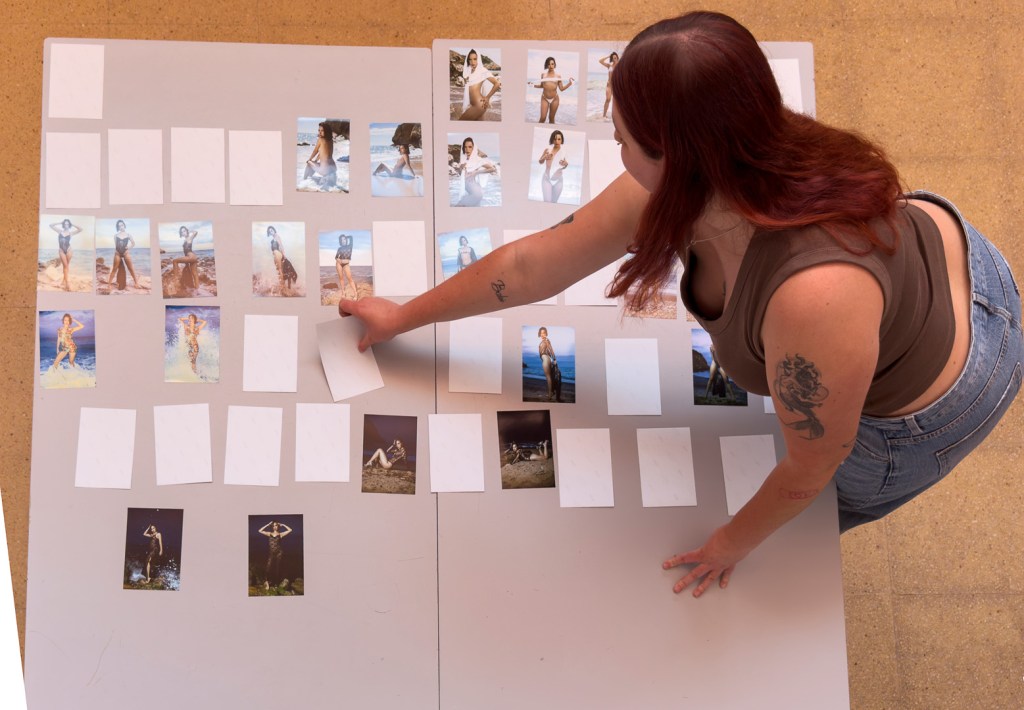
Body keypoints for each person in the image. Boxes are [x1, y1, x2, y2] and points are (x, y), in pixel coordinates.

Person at [340, 11, 1022, 599]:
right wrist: (403, 315)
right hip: (920, 276)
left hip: (939, 395)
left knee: (807, 533)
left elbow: (814, 463)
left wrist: (729, 544)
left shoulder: (813, 297)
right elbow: (531, 266)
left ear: (678, 157)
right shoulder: (725, 154)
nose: (614, 147)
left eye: (623, 138)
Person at [450, 137, 496, 206]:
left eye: (470, 147)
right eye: (465, 147)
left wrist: (476, 172)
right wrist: (460, 168)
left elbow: (492, 169)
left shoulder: (478, 160)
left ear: (473, 148)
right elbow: (461, 175)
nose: (467, 149)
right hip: (469, 190)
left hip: (476, 191)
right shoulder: (464, 160)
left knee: (460, 206)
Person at [459, 49, 500, 121]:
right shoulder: (469, 71)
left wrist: (487, 97)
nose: (472, 62)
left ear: (478, 59)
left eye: (475, 59)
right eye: (470, 59)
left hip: (479, 105)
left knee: (461, 121)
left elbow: (497, 84)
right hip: (474, 105)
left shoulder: (482, 71)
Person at [532, 56, 574, 124]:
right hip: (544, 98)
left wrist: (570, 83)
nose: (551, 66)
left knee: (551, 118)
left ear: (554, 65)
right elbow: (542, 86)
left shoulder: (558, 76)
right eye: (549, 64)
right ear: (546, 65)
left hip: (555, 99)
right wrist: (533, 85)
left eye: (552, 64)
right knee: (542, 118)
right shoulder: (543, 75)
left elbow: (561, 89)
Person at [49, 218, 81, 291]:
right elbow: (51, 225)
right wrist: (60, 222)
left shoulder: (71, 233)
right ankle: (67, 284)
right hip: (61, 251)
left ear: (69, 225)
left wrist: (72, 224)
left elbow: (80, 229)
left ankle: (64, 281)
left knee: (66, 266)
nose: (66, 225)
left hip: (69, 250)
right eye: (65, 224)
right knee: (65, 266)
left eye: (68, 224)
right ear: (63, 224)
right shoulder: (59, 231)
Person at [258, 521, 292, 590]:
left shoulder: (281, 534)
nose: (275, 527)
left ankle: (276, 583)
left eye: (276, 525)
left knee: (277, 568)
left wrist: (283, 524)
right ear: (272, 527)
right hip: (271, 553)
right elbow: (260, 530)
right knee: (268, 566)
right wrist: (268, 524)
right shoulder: (269, 534)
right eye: (273, 526)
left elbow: (290, 530)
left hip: (279, 553)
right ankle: (266, 581)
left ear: (278, 526)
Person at [303, 121, 337, 189]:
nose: (320, 132)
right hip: (333, 169)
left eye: (322, 130)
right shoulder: (331, 140)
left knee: (309, 163)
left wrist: (309, 160)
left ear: (326, 131)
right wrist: (315, 160)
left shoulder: (320, 139)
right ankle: (310, 177)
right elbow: (322, 153)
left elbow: (315, 151)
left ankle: (304, 180)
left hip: (325, 170)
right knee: (314, 163)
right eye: (319, 130)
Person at [537, 130, 568, 203]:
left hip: (558, 181)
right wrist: (544, 157)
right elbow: (540, 162)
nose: (557, 141)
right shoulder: (548, 150)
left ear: (562, 140)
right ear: (552, 140)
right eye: (555, 139)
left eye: (559, 139)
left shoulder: (564, 152)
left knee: (554, 202)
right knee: (547, 201)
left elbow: (564, 166)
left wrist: (565, 165)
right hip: (546, 179)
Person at [108, 219, 140, 289]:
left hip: (125, 253)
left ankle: (136, 283)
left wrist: (128, 247)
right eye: (119, 226)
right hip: (118, 254)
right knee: (114, 269)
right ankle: (109, 285)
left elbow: (133, 243)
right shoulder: (116, 235)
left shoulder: (128, 235)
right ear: (118, 227)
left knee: (131, 268)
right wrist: (117, 252)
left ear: (124, 225)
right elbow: (116, 245)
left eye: (122, 225)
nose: (121, 227)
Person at [537, 327, 559, 401]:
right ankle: (551, 392)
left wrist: (554, 359)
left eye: (544, 333)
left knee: (548, 377)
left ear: (546, 333)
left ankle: (550, 394)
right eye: (541, 333)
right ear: (539, 334)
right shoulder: (543, 341)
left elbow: (551, 349)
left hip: (546, 359)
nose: (542, 334)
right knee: (550, 377)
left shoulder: (546, 340)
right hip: (546, 359)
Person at [335, 233, 356, 299]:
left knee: (350, 279)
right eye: (341, 240)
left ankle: (355, 294)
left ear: (346, 239)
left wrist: (344, 237)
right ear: (340, 241)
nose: (343, 241)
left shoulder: (350, 246)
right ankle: (343, 293)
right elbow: (336, 257)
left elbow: (351, 237)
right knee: (341, 278)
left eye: (344, 239)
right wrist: (338, 260)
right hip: (339, 264)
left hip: (346, 264)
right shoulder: (340, 248)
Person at [599, 52, 619, 119]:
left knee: (616, 101)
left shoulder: (620, 66)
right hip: (609, 85)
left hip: (616, 86)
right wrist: (608, 56)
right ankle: (604, 115)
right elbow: (600, 61)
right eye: (613, 58)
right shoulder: (609, 65)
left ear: (617, 57)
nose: (614, 59)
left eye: (615, 58)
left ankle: (616, 116)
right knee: (608, 99)